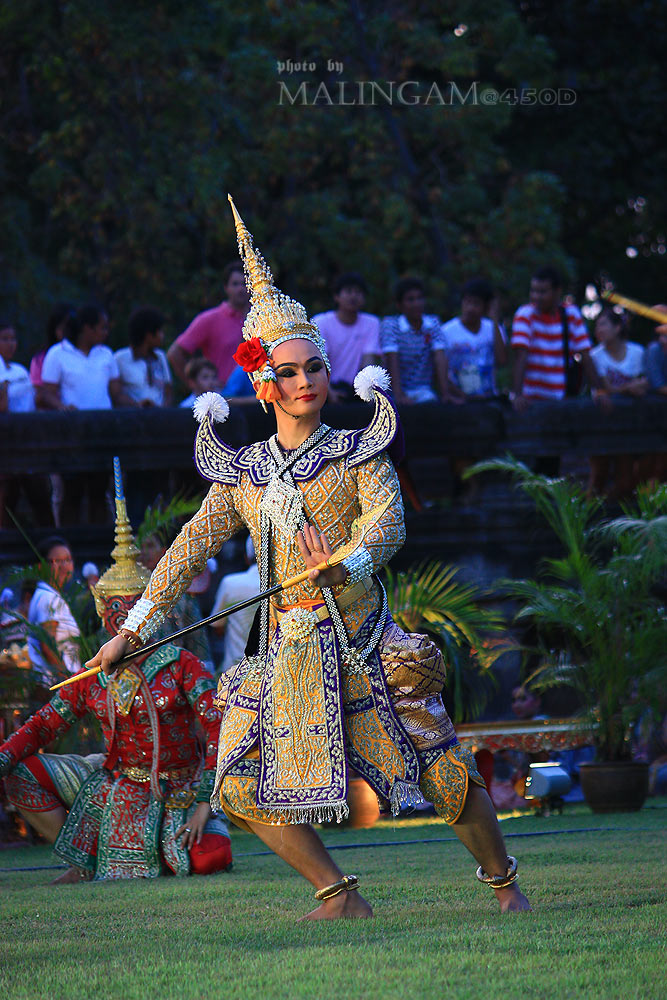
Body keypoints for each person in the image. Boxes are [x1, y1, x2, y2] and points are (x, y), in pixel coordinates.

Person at [88, 198, 530, 918]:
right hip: (291, 649)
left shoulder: (359, 453)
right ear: (262, 384)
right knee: (234, 783)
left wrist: (343, 566)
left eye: (314, 367)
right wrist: (130, 632)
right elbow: (185, 552)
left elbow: (386, 530)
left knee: (446, 777)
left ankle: (504, 883)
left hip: (363, 642)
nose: (305, 382)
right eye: (288, 372)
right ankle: (336, 895)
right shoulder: (242, 473)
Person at [0, 472, 232, 882]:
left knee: (208, 858)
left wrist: (203, 803)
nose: (122, 617)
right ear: (105, 611)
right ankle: (84, 864)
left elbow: (218, 727)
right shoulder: (95, 674)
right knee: (21, 774)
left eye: (133, 606)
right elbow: (45, 723)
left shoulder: (180, 664)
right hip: (115, 782)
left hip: (180, 791)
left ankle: (161, 844)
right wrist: (4, 755)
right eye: (115, 608)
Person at [511, 267, 601, 411]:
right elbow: (521, 355)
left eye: (542, 292)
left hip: (562, 399)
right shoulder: (525, 314)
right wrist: (517, 395)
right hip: (531, 401)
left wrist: (599, 391)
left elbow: (585, 355)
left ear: (557, 291)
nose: (536, 297)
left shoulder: (571, 314)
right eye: (533, 291)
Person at [588, 307, 648, 498]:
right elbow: (604, 388)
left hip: (632, 425)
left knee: (626, 479)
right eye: (597, 325)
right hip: (601, 425)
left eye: (603, 324)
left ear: (618, 327)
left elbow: (645, 384)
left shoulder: (637, 352)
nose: (599, 329)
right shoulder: (595, 355)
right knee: (598, 475)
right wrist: (628, 388)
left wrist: (625, 389)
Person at [167, 261, 249, 388]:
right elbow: (175, 353)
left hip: (257, 398)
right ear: (225, 287)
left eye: (245, 284)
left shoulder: (262, 319)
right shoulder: (210, 319)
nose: (240, 289)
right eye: (235, 284)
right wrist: (197, 386)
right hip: (221, 398)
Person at [39, 304, 130, 410]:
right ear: (88, 329)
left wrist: (138, 405)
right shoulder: (57, 353)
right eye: (103, 328)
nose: (106, 333)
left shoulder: (106, 353)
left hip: (105, 422)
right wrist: (63, 407)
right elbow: (47, 393)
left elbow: (117, 395)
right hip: (74, 422)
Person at [380, 278, 452, 405]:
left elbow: (440, 357)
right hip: (394, 393)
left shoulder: (433, 323)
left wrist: (445, 394)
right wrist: (399, 396)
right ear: (399, 305)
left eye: (420, 298)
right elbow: (392, 359)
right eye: (410, 299)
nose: (417, 303)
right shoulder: (390, 325)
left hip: (424, 392)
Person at [311, 273, 381, 404]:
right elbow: (319, 361)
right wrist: (328, 391)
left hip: (356, 391)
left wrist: (368, 393)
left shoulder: (372, 323)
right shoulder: (321, 322)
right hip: (325, 389)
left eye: (358, 292)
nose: (353, 296)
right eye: (348, 291)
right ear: (336, 296)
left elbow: (368, 361)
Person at [440, 279, 508, 400]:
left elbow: (502, 361)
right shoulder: (446, 331)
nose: (470, 308)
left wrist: (494, 319)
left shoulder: (493, 329)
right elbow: (440, 372)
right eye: (467, 302)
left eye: (476, 304)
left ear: (486, 306)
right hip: (459, 399)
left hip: (489, 398)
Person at [27, 537, 80, 686]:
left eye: (68, 560)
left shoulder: (49, 595)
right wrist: (68, 682)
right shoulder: (48, 597)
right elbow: (48, 645)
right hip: (55, 686)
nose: (64, 566)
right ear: (40, 566)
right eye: (57, 561)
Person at [210, 535, 261, 674]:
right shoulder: (281, 585)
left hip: (235, 668)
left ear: (246, 557)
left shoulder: (230, 583)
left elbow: (217, 627)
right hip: (270, 668)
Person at [114, 307, 173, 407]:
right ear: (149, 335)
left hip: (160, 417)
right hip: (133, 417)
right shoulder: (120, 359)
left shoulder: (160, 357)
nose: (162, 336)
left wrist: (163, 410)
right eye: (160, 332)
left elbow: (168, 392)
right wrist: (137, 405)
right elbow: (117, 394)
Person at [30, 303, 75, 405]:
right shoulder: (40, 359)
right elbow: (39, 396)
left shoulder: (83, 356)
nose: (66, 332)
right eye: (62, 327)